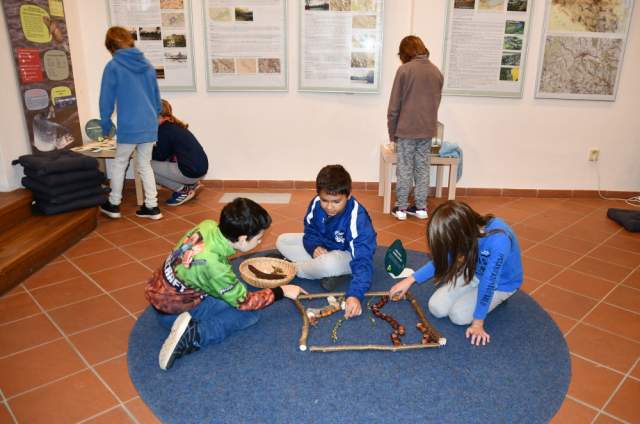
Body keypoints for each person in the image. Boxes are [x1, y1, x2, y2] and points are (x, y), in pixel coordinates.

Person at [145, 197, 307, 370]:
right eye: (259, 238)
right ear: (243, 239)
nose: (260, 242)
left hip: (162, 295)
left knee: (238, 293)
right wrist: (282, 291)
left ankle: (188, 325)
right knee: (249, 314)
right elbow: (246, 302)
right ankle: (194, 336)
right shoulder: (215, 267)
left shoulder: (208, 225)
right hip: (173, 313)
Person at [389, 200, 523, 346]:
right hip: (473, 272)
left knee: (458, 316)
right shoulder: (466, 230)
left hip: (500, 284)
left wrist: (478, 322)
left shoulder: (500, 240)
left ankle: (501, 298)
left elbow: (489, 282)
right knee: (436, 307)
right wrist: (410, 280)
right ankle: (476, 295)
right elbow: (444, 259)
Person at [276, 165, 377, 319]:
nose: (329, 207)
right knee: (283, 241)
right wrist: (314, 247)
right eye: (325, 200)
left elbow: (362, 258)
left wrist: (355, 295)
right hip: (324, 248)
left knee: (329, 264)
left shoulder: (357, 217)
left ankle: (292, 268)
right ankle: (324, 272)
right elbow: (310, 231)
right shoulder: (316, 203)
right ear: (319, 195)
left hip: (347, 256)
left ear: (348, 195)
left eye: (336, 201)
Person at [98, 26, 163, 220]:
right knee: (145, 165)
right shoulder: (147, 65)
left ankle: (113, 204)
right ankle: (152, 207)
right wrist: (155, 115)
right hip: (149, 123)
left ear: (110, 46)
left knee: (120, 163)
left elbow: (106, 98)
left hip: (129, 125)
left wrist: (105, 122)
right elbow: (156, 98)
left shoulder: (113, 66)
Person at [387, 35, 443, 221]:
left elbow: (394, 107)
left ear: (405, 52)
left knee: (404, 168)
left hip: (406, 130)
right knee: (422, 168)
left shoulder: (404, 70)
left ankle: (401, 208)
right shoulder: (436, 72)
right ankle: (421, 208)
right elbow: (435, 104)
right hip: (427, 130)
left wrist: (392, 134)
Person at [151, 99, 209, 206]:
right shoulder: (174, 126)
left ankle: (183, 190)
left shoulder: (164, 130)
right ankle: (192, 185)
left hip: (190, 172)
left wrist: (147, 150)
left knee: (144, 166)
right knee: (166, 163)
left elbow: (160, 156)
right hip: (200, 170)